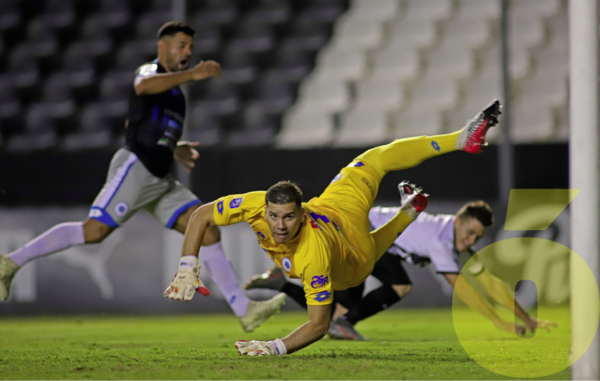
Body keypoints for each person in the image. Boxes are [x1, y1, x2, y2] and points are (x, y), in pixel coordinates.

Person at [0, 21, 285, 332]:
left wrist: (174, 149)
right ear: (162, 46)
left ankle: (244, 310)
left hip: (160, 176)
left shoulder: (175, 94)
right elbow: (142, 88)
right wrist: (193, 74)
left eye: (190, 46)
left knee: (208, 231)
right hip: (137, 168)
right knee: (94, 232)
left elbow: (141, 124)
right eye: (181, 45)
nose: (187, 51)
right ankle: (10, 263)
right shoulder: (150, 71)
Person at [164, 100, 502, 356]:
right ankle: (428, 185)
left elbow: (318, 325)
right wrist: (187, 264)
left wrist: (274, 347)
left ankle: (446, 156)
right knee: (373, 167)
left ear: (301, 213)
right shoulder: (256, 204)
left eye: (289, 217)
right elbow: (202, 214)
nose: (280, 224)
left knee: (369, 232)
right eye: (274, 215)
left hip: (350, 255)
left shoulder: (313, 255)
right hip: (334, 210)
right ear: (264, 208)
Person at [248, 201, 558, 340]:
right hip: (362, 235)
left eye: (477, 236)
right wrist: (499, 323)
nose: (472, 240)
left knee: (335, 311)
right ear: (460, 219)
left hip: (379, 242)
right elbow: (462, 287)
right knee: (398, 288)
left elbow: (489, 283)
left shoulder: (452, 237)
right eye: (471, 232)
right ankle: (343, 323)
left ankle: (284, 285)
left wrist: (525, 317)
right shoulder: (441, 239)